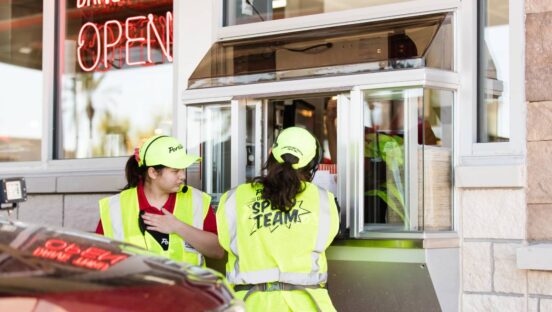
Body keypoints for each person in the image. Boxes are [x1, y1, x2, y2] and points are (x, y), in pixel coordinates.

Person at [216, 127, 339, 311]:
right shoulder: (324, 199)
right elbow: (327, 237)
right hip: (307, 305)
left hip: (250, 304)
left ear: (271, 154)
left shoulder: (234, 198)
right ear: (312, 166)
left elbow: (225, 242)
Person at [97, 135, 224, 266]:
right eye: (175, 171)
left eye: (183, 169)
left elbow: (218, 251)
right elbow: (97, 258)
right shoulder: (115, 207)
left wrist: (177, 226)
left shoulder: (197, 200)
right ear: (153, 173)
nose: (183, 176)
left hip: (186, 286)